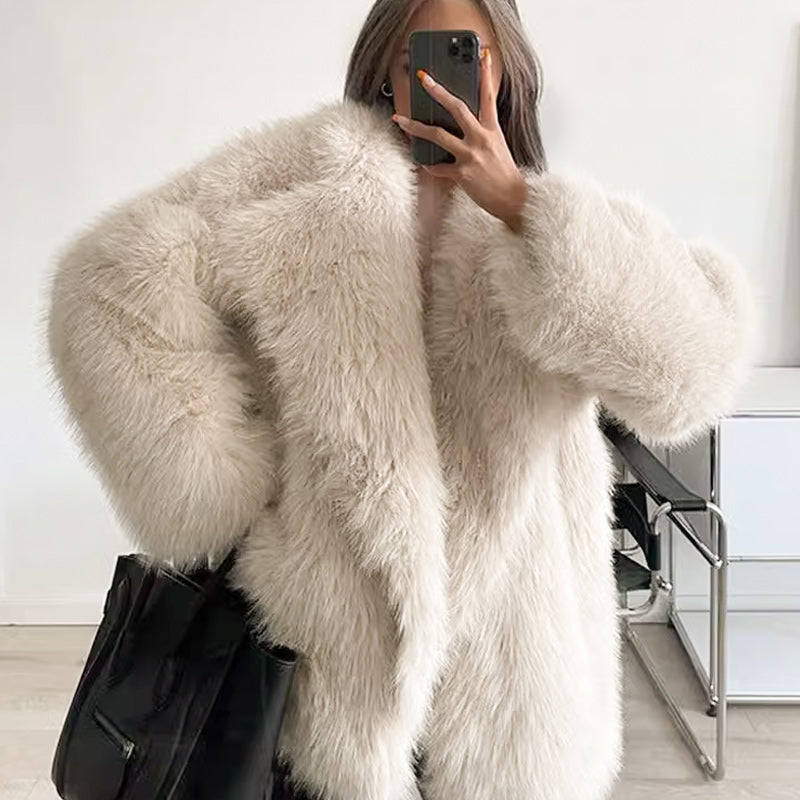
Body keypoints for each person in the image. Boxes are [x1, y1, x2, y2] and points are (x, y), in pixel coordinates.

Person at [44, 1, 761, 799]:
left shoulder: (555, 229)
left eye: (466, 51)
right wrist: (228, 487)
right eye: (420, 53)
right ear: (387, 64)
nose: (440, 74)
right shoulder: (299, 179)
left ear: (504, 67)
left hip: (513, 679)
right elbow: (110, 289)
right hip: (326, 663)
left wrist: (522, 207)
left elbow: (692, 373)